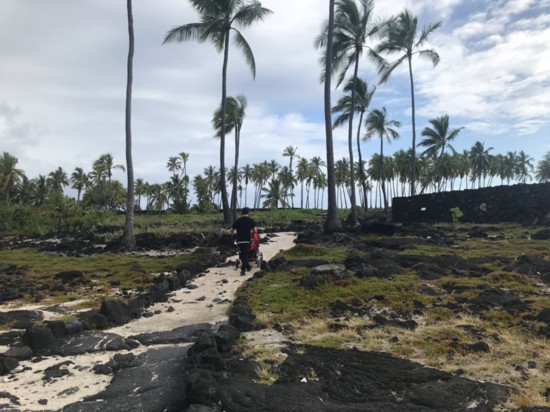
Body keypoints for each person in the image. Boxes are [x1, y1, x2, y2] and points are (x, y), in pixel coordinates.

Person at [230, 207, 257, 275]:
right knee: (245, 255)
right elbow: (255, 230)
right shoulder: (250, 220)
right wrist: (252, 232)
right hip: (247, 240)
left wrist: (233, 233)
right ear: (248, 212)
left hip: (239, 241)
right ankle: (242, 270)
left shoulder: (238, 220)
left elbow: (231, 230)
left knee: (242, 254)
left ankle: (248, 267)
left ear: (242, 213)